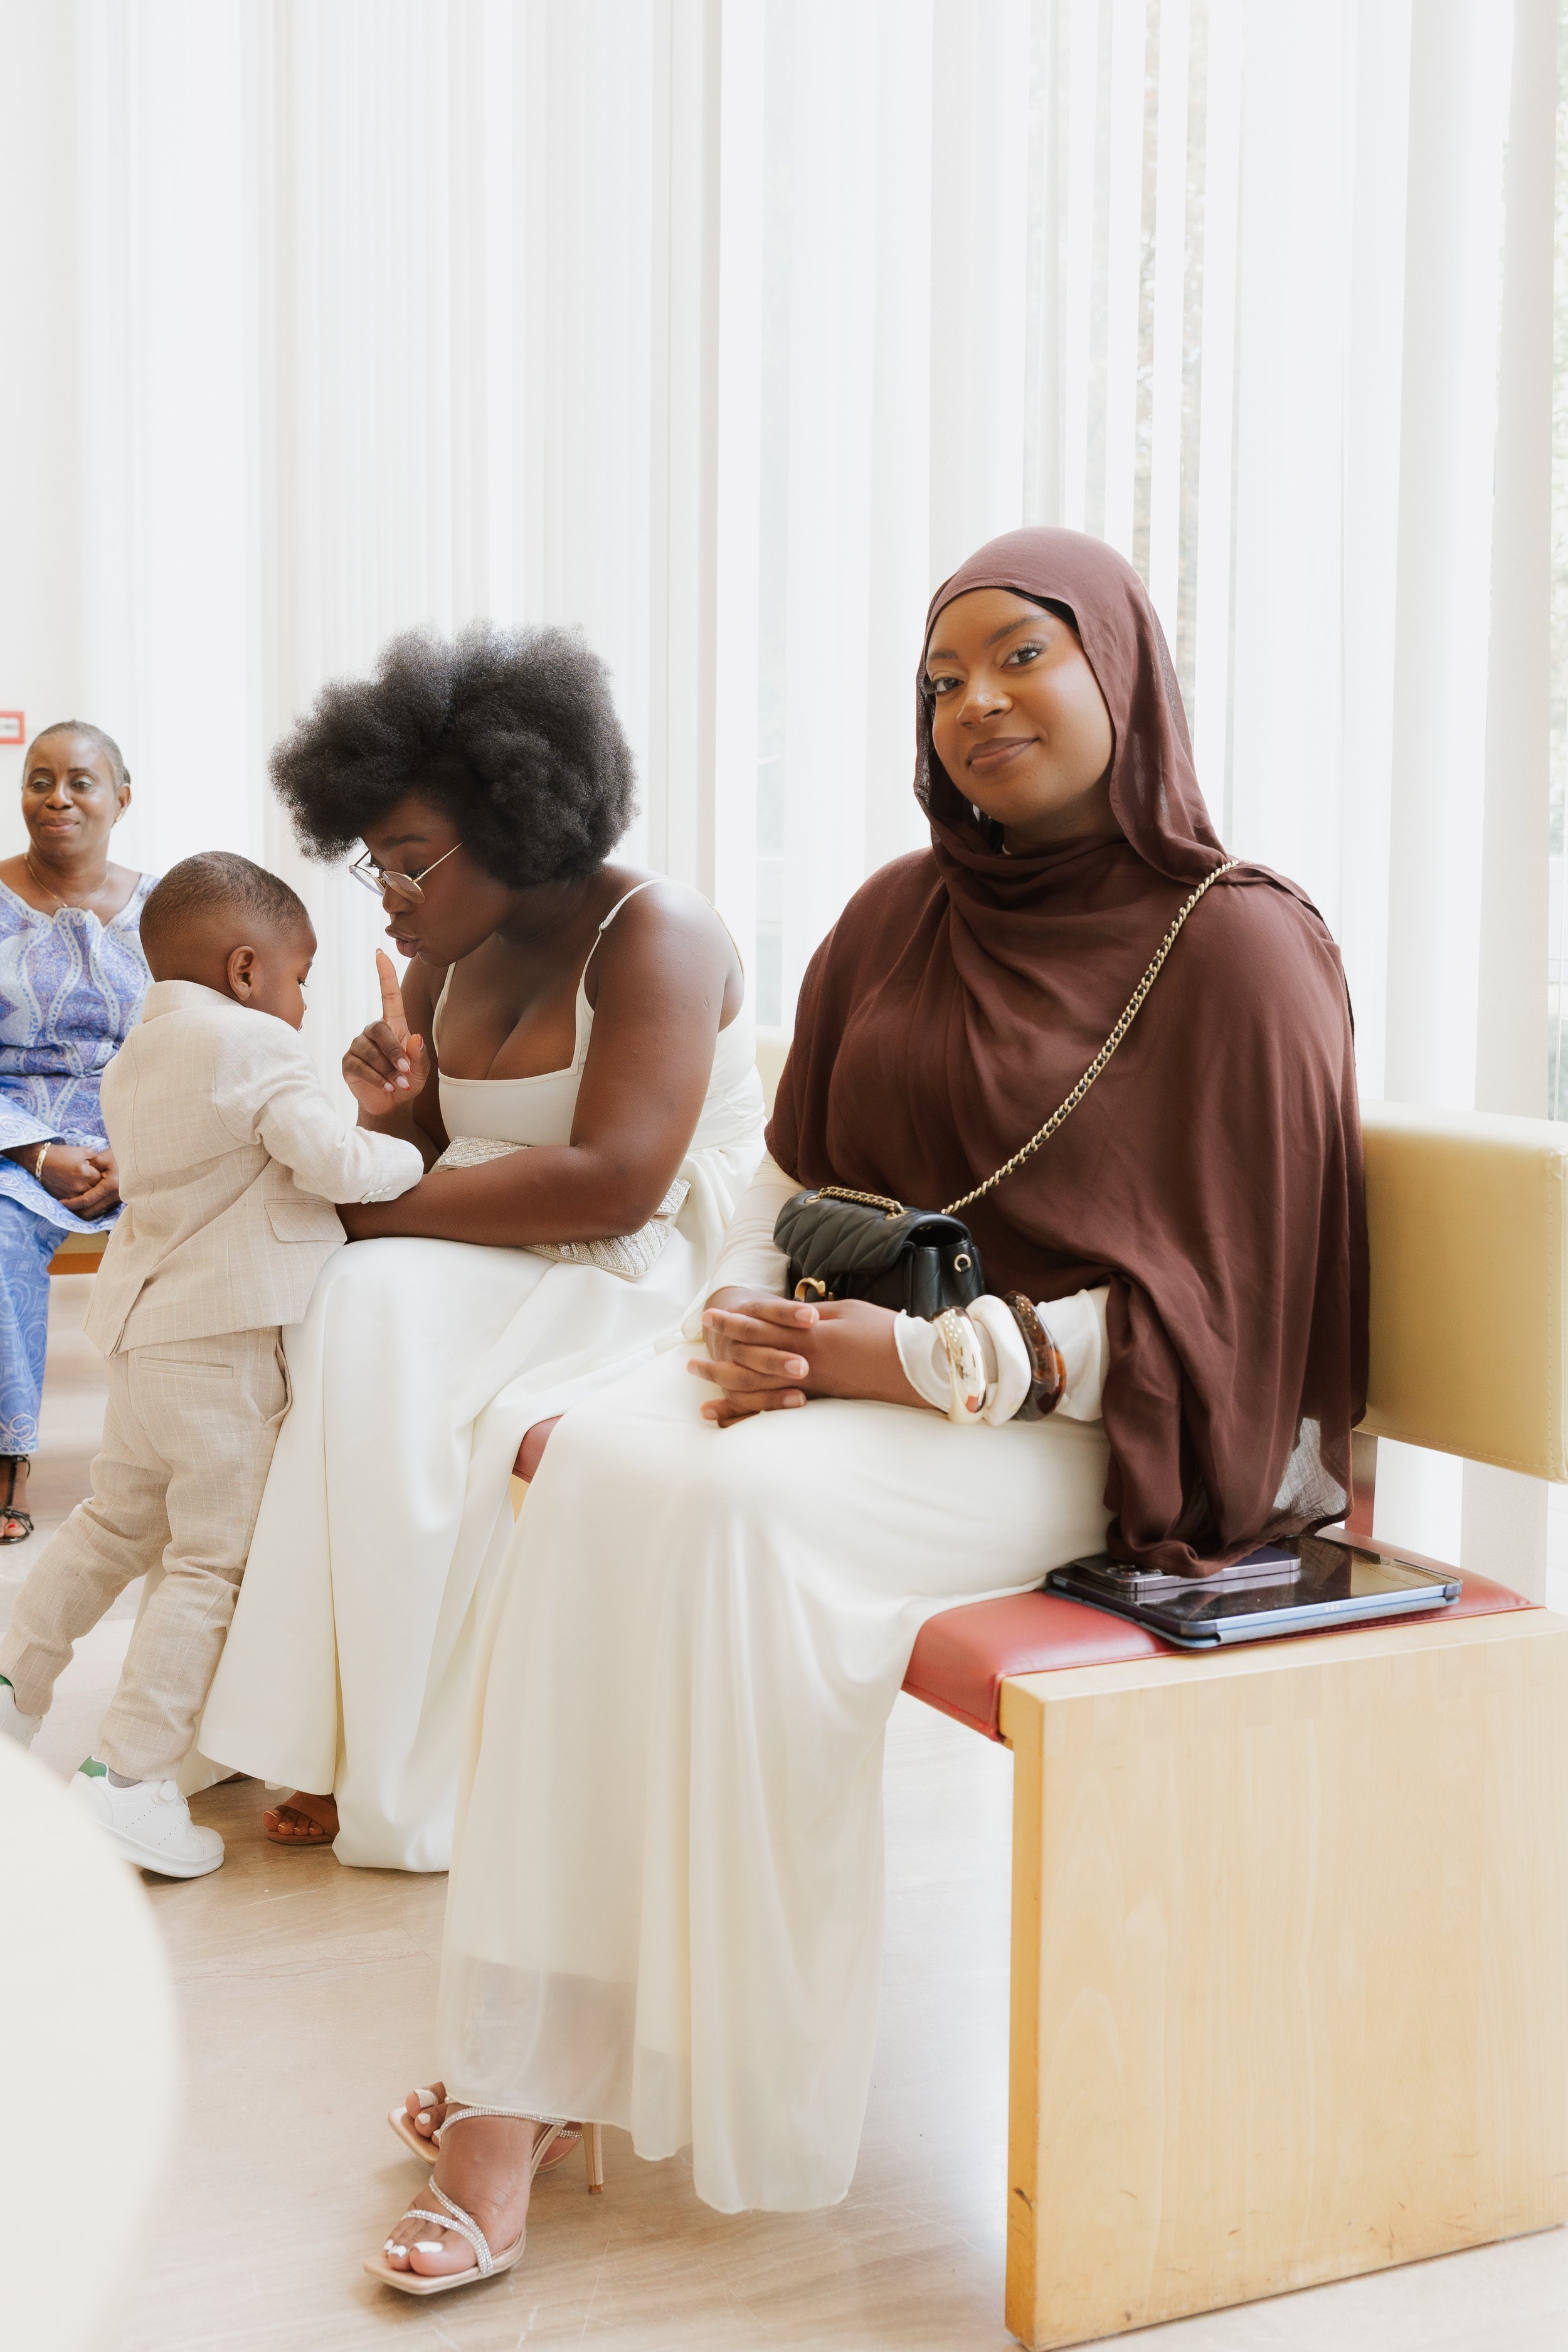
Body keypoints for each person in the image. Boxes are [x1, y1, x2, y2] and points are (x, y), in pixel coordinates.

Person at [365, 528, 1368, 2296]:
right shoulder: (896, 915)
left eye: (1019, 658)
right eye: (938, 677)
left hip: (1098, 1426)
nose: (975, 703)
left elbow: (1234, 1307)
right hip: (853, 1376)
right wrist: (748, 1321)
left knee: (739, 1520)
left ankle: (642, 2056)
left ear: (1120, 674)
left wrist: (887, 1363)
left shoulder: (1242, 946)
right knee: (600, 1463)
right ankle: (525, 2066)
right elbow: (781, 1183)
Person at [198, 622, 763, 1870]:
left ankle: (377, 1750)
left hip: (629, 1274)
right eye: (375, 867)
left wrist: (376, 1213)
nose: (390, 898)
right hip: (487, 1258)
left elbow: (617, 1184)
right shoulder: (447, 960)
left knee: (367, 1296)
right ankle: (328, 1726)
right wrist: (386, 1109)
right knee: (343, 1300)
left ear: (517, 819)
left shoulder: (657, 933)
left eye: (409, 863)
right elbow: (442, 1143)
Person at [0, 854, 423, 1875]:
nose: (304, 998)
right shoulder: (255, 1046)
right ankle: (130, 1776)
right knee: (208, 1561)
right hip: (227, 1343)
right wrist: (413, 1154)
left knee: (112, 1524)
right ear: (246, 969)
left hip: (146, 1335)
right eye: (300, 975)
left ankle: (14, 1684)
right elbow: (330, 1162)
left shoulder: (141, 1050)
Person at [0, 721, 153, 1543]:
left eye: (80, 781)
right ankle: (6, 1460)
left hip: (142, 1132)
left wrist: (143, 1153)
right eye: (38, 779)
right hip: (10, 1131)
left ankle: (192, 1459)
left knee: (231, 1215)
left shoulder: (170, 909)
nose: (56, 797)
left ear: (120, 798)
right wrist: (37, 1150)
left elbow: (197, 1043)